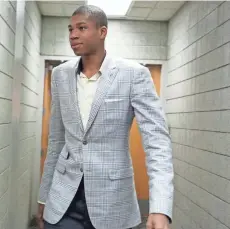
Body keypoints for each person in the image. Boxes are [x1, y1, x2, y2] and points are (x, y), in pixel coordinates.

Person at [37, 4, 174, 229]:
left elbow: (157, 142)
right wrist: (44, 197)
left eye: (81, 28)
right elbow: (56, 141)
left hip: (112, 202)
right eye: (70, 29)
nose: (73, 35)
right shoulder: (60, 75)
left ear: (102, 32)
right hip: (63, 201)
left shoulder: (134, 74)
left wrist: (160, 207)